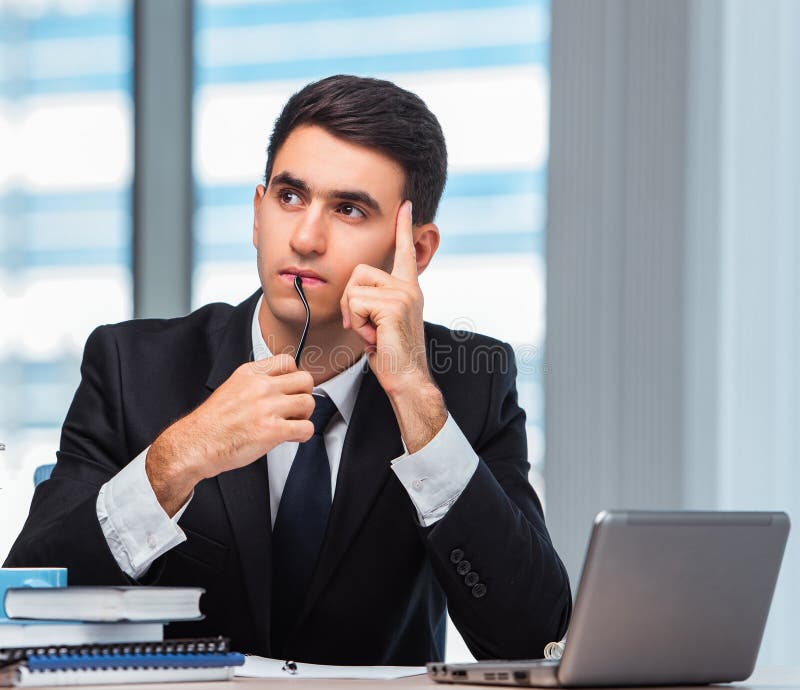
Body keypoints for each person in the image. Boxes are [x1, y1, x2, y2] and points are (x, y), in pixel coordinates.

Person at [5, 75, 571, 665]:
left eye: (349, 210)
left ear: (417, 251)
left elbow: (535, 639)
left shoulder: (469, 386)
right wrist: (175, 460)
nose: (304, 238)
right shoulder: (131, 366)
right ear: (258, 213)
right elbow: (24, 606)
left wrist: (416, 401)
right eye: (290, 197)